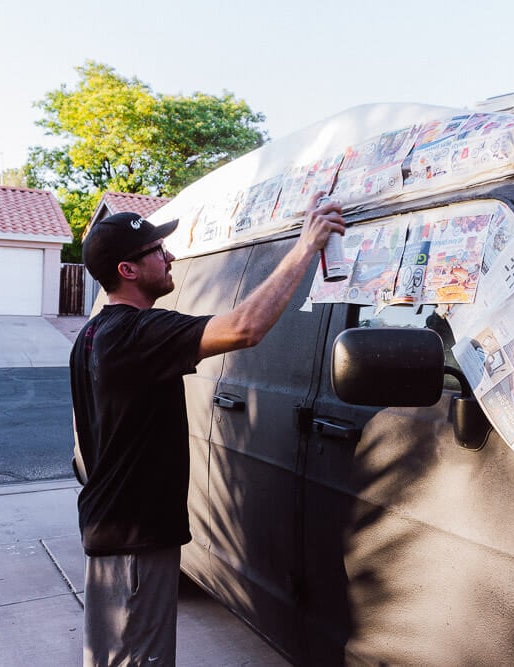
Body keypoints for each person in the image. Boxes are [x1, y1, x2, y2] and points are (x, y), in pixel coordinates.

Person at [69, 194, 344, 666]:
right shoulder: (136, 335)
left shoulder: (93, 335)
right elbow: (244, 328)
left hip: (114, 528)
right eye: (157, 251)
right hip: (133, 541)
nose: (170, 256)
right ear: (128, 270)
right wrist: (306, 246)